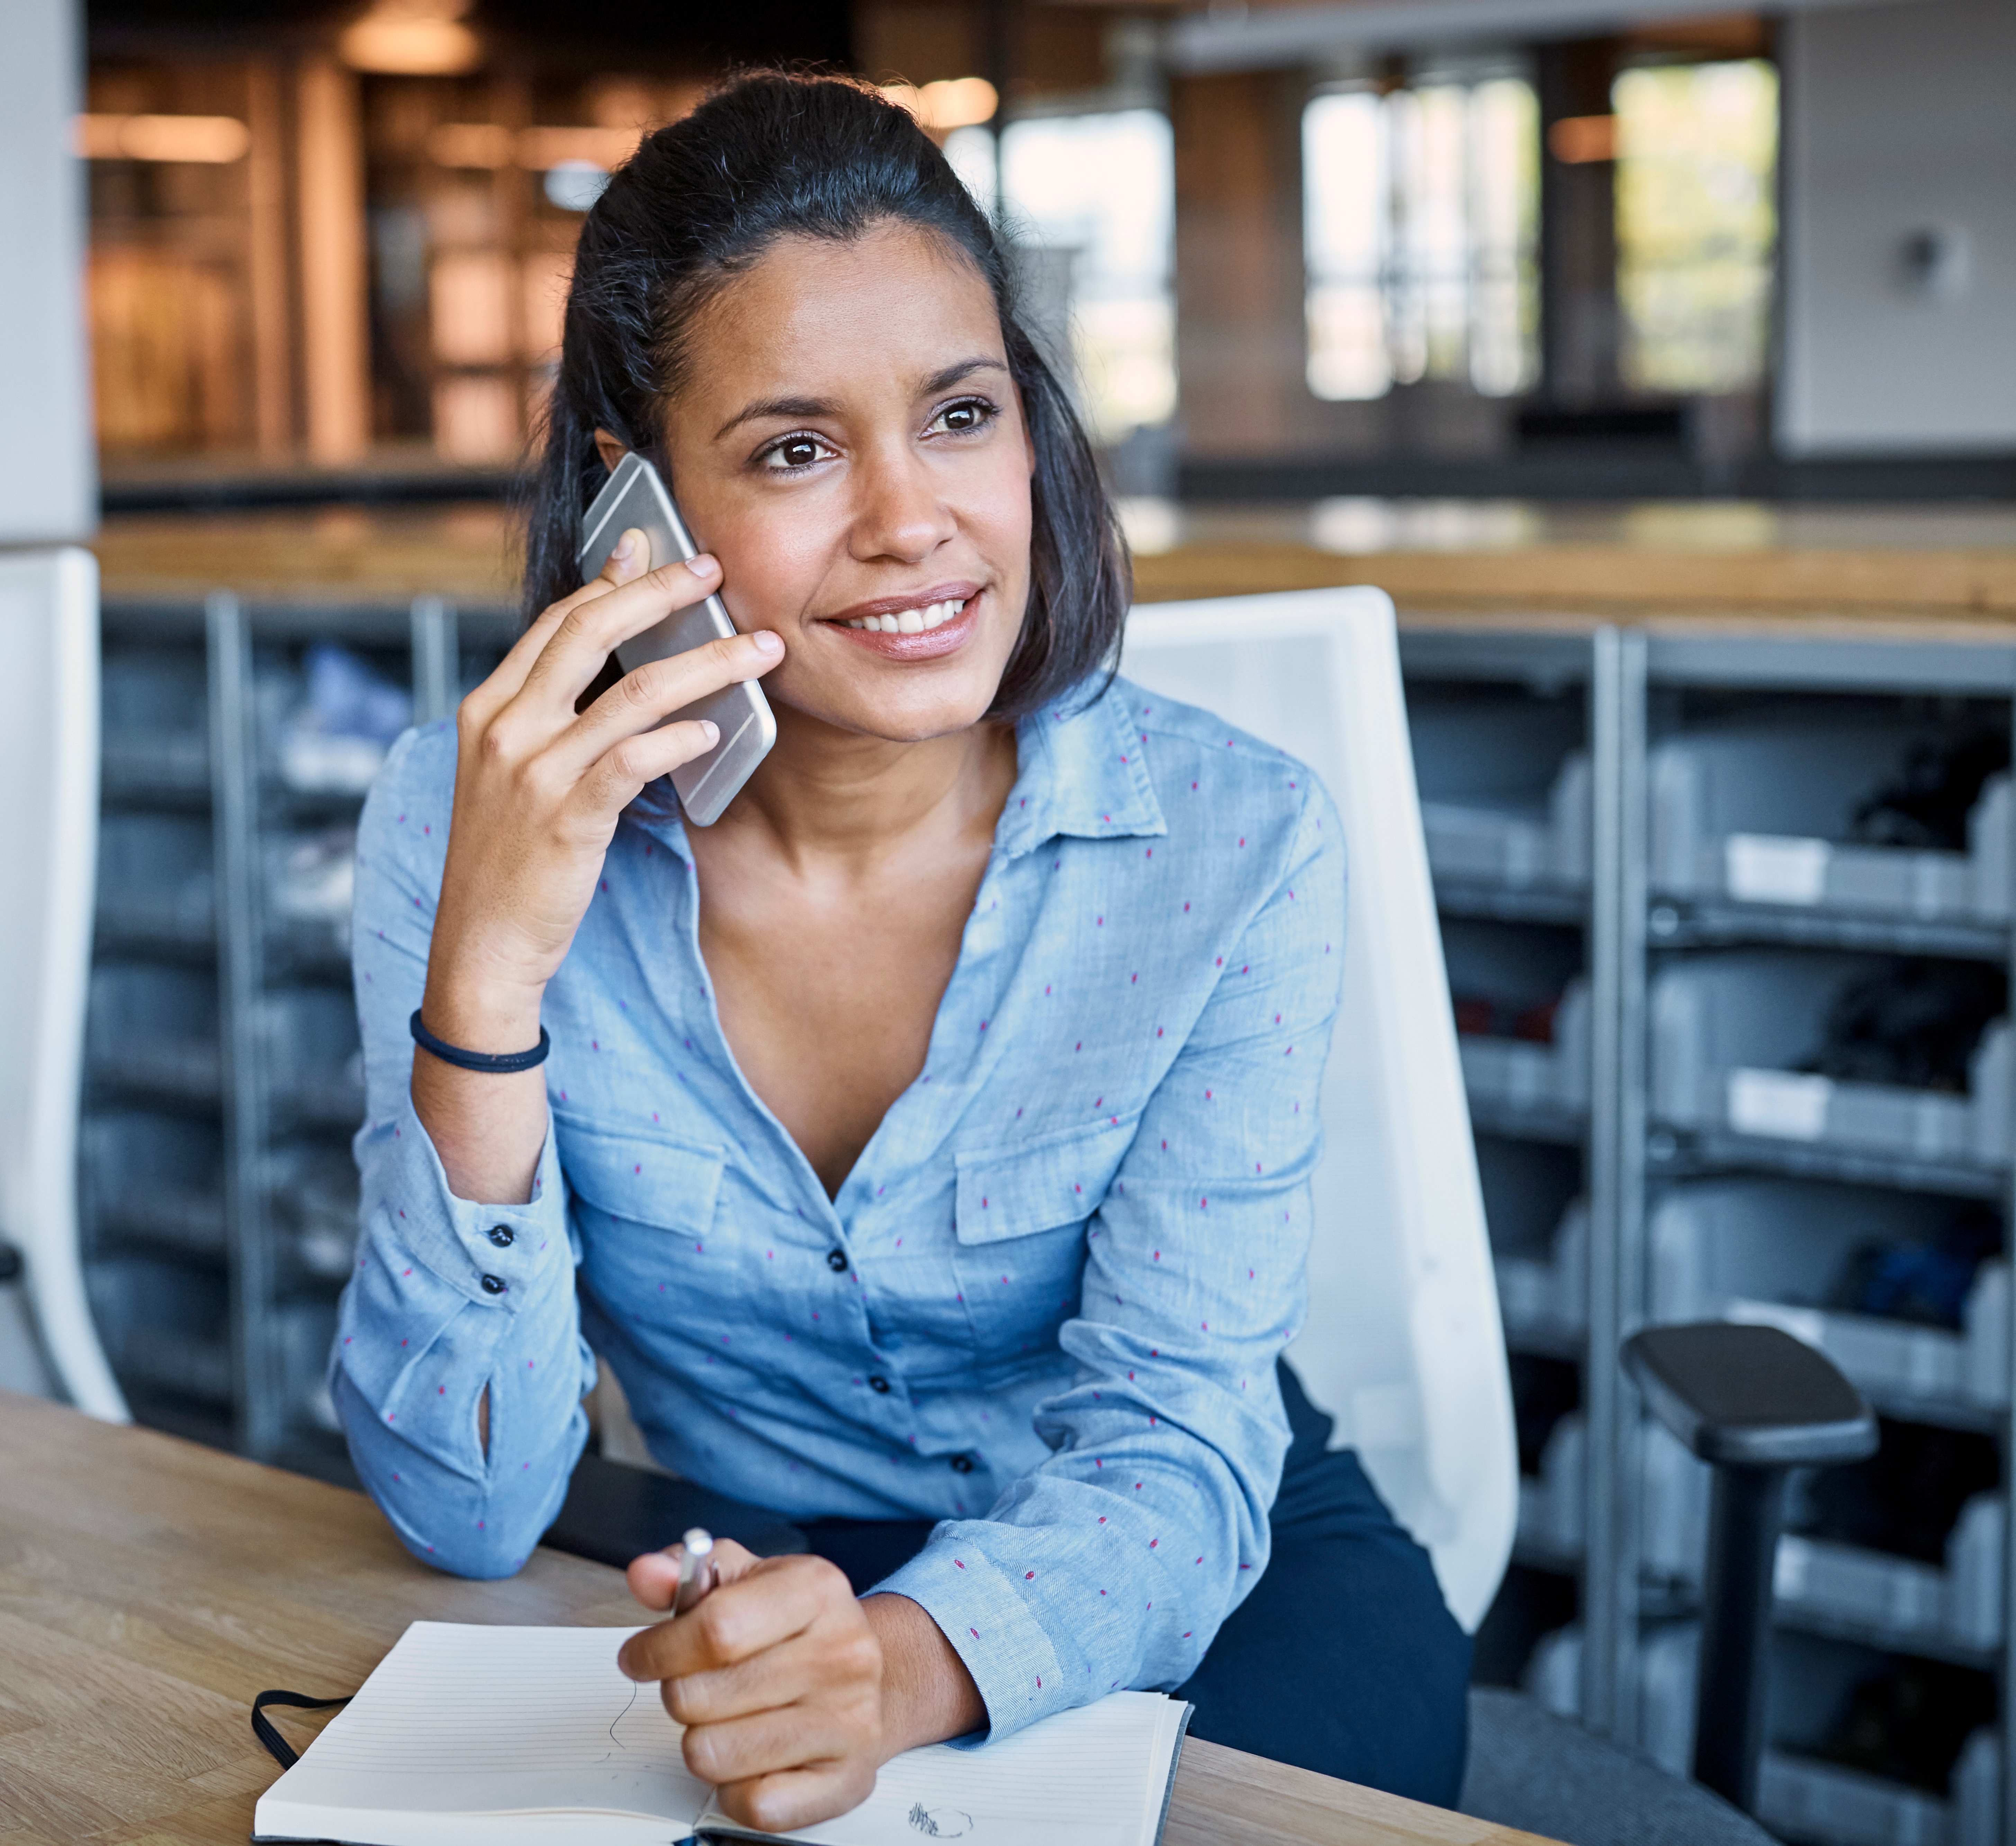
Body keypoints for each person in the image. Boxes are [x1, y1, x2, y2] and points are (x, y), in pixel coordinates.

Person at [331, 69, 1468, 1831]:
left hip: (1178, 1548)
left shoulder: (1232, 844)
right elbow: (468, 1509)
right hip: (740, 1568)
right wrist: (481, 989)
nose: (908, 517)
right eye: (794, 448)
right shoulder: (464, 823)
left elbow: (1174, 1436)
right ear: (635, 511)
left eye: (958, 414)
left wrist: (906, 1661)